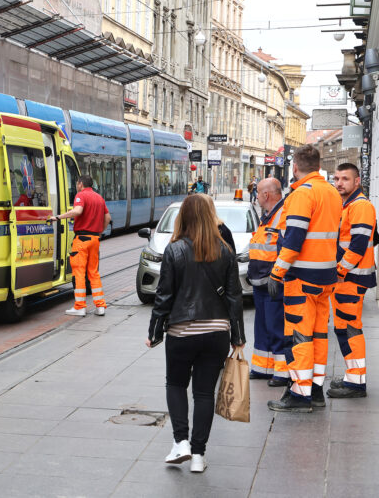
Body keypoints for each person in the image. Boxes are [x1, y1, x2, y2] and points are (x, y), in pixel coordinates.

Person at [146, 194, 245, 473]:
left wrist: (155, 331)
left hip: (182, 331)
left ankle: (181, 443)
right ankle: (199, 455)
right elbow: (234, 297)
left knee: (176, 384)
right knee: (204, 393)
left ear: (184, 216)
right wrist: (238, 337)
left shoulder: (174, 249)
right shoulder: (225, 249)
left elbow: (163, 296)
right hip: (217, 332)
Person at [266, 145, 341, 413]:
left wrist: (277, 272)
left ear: (295, 167)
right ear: (318, 166)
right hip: (326, 277)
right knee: (319, 335)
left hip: (301, 278)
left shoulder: (302, 194)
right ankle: (315, 390)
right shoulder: (332, 193)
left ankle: (299, 394)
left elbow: (294, 238)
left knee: (299, 336)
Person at [327, 162, 376, 398]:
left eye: (345, 179)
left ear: (357, 181)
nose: (339, 183)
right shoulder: (347, 205)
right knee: (343, 328)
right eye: (336, 179)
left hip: (351, 278)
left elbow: (358, 245)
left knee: (350, 328)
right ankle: (352, 376)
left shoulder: (361, 205)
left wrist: (339, 271)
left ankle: (356, 383)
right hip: (347, 278)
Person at [48, 175, 111, 317]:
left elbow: (78, 211)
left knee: (79, 273)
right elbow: (108, 218)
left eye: (77, 183)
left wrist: (57, 217)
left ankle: (80, 307)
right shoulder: (99, 198)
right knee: (93, 273)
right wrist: (99, 231)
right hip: (95, 239)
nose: (77, 185)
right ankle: (100, 306)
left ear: (81, 184)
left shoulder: (81, 195)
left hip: (81, 240)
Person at [246, 178, 288, 386]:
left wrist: (277, 276)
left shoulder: (283, 215)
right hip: (261, 280)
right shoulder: (268, 216)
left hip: (274, 281)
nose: (257, 196)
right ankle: (262, 367)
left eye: (258, 191)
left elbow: (287, 249)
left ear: (266, 195)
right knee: (262, 326)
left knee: (276, 326)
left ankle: (282, 372)